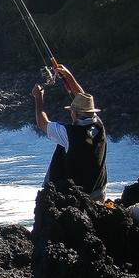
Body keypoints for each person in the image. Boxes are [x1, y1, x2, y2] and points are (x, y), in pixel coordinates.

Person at [32, 64, 107, 201]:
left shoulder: (69, 134)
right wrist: (68, 76)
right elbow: (83, 99)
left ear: (75, 114)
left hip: (77, 198)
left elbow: (42, 124)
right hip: (98, 193)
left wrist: (39, 98)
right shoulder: (98, 125)